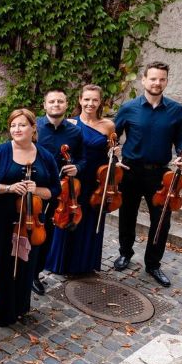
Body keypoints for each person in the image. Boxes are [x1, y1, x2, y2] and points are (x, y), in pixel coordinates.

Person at [113, 62, 182, 287]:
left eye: (162, 79)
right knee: (127, 215)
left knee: (161, 221)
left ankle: (153, 264)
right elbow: (113, 136)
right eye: (153, 79)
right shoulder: (128, 108)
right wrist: (114, 157)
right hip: (130, 171)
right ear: (144, 80)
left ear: (166, 81)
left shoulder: (175, 109)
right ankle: (125, 253)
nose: (157, 83)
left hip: (160, 174)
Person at [0, 109, 59, 327]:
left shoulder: (45, 156)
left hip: (30, 222)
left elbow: (55, 190)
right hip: (1, 220)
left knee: (25, 265)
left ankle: (19, 307)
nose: (16, 129)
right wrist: (9, 188)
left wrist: (37, 190)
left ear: (33, 128)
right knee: (1, 264)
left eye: (22, 125)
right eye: (13, 125)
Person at [46, 85, 118, 277]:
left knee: (90, 219)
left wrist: (115, 154)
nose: (90, 103)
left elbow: (110, 153)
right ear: (79, 100)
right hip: (75, 179)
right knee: (68, 215)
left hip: (96, 180)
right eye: (86, 99)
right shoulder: (70, 123)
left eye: (95, 100)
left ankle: (84, 264)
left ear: (100, 102)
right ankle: (61, 263)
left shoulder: (108, 125)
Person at [32, 88, 86, 294]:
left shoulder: (75, 132)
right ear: (45, 105)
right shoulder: (34, 127)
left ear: (66, 104)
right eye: (52, 101)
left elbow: (82, 158)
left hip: (59, 191)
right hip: (35, 189)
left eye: (60, 101)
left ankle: (35, 274)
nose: (56, 104)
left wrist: (77, 167)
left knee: (46, 234)